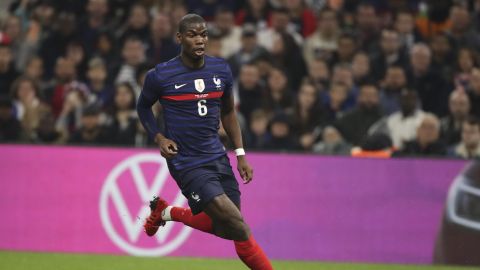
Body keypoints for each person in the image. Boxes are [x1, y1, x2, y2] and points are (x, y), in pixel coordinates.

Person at [136, 14, 273, 270]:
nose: (200, 40)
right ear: (179, 38)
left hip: (217, 157)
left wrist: (240, 153)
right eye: (192, 35)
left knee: (225, 228)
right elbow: (143, 107)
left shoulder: (220, 69)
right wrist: (159, 136)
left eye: (203, 34)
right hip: (187, 162)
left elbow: (229, 112)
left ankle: (167, 213)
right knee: (240, 227)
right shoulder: (161, 75)